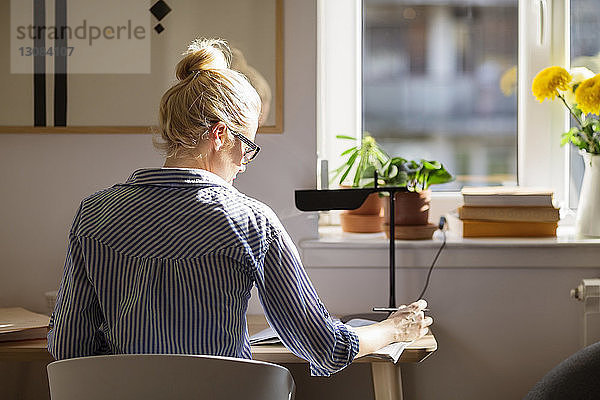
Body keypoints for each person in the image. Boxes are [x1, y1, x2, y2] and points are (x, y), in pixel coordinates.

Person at [47, 38, 432, 376]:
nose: (246, 160)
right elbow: (324, 347)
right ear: (219, 135)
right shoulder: (251, 221)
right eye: (247, 144)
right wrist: (396, 329)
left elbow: (67, 348)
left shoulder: (93, 213)